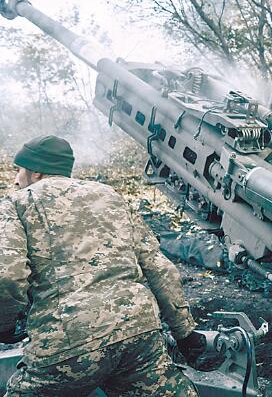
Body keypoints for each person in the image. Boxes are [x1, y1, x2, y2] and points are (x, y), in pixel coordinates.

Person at [0, 135, 207, 396]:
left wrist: (5, 326)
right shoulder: (111, 196)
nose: (16, 180)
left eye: (19, 170)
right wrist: (185, 334)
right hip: (138, 334)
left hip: (68, 343)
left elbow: (7, 275)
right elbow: (160, 269)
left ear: (36, 172)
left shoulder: (16, 203)